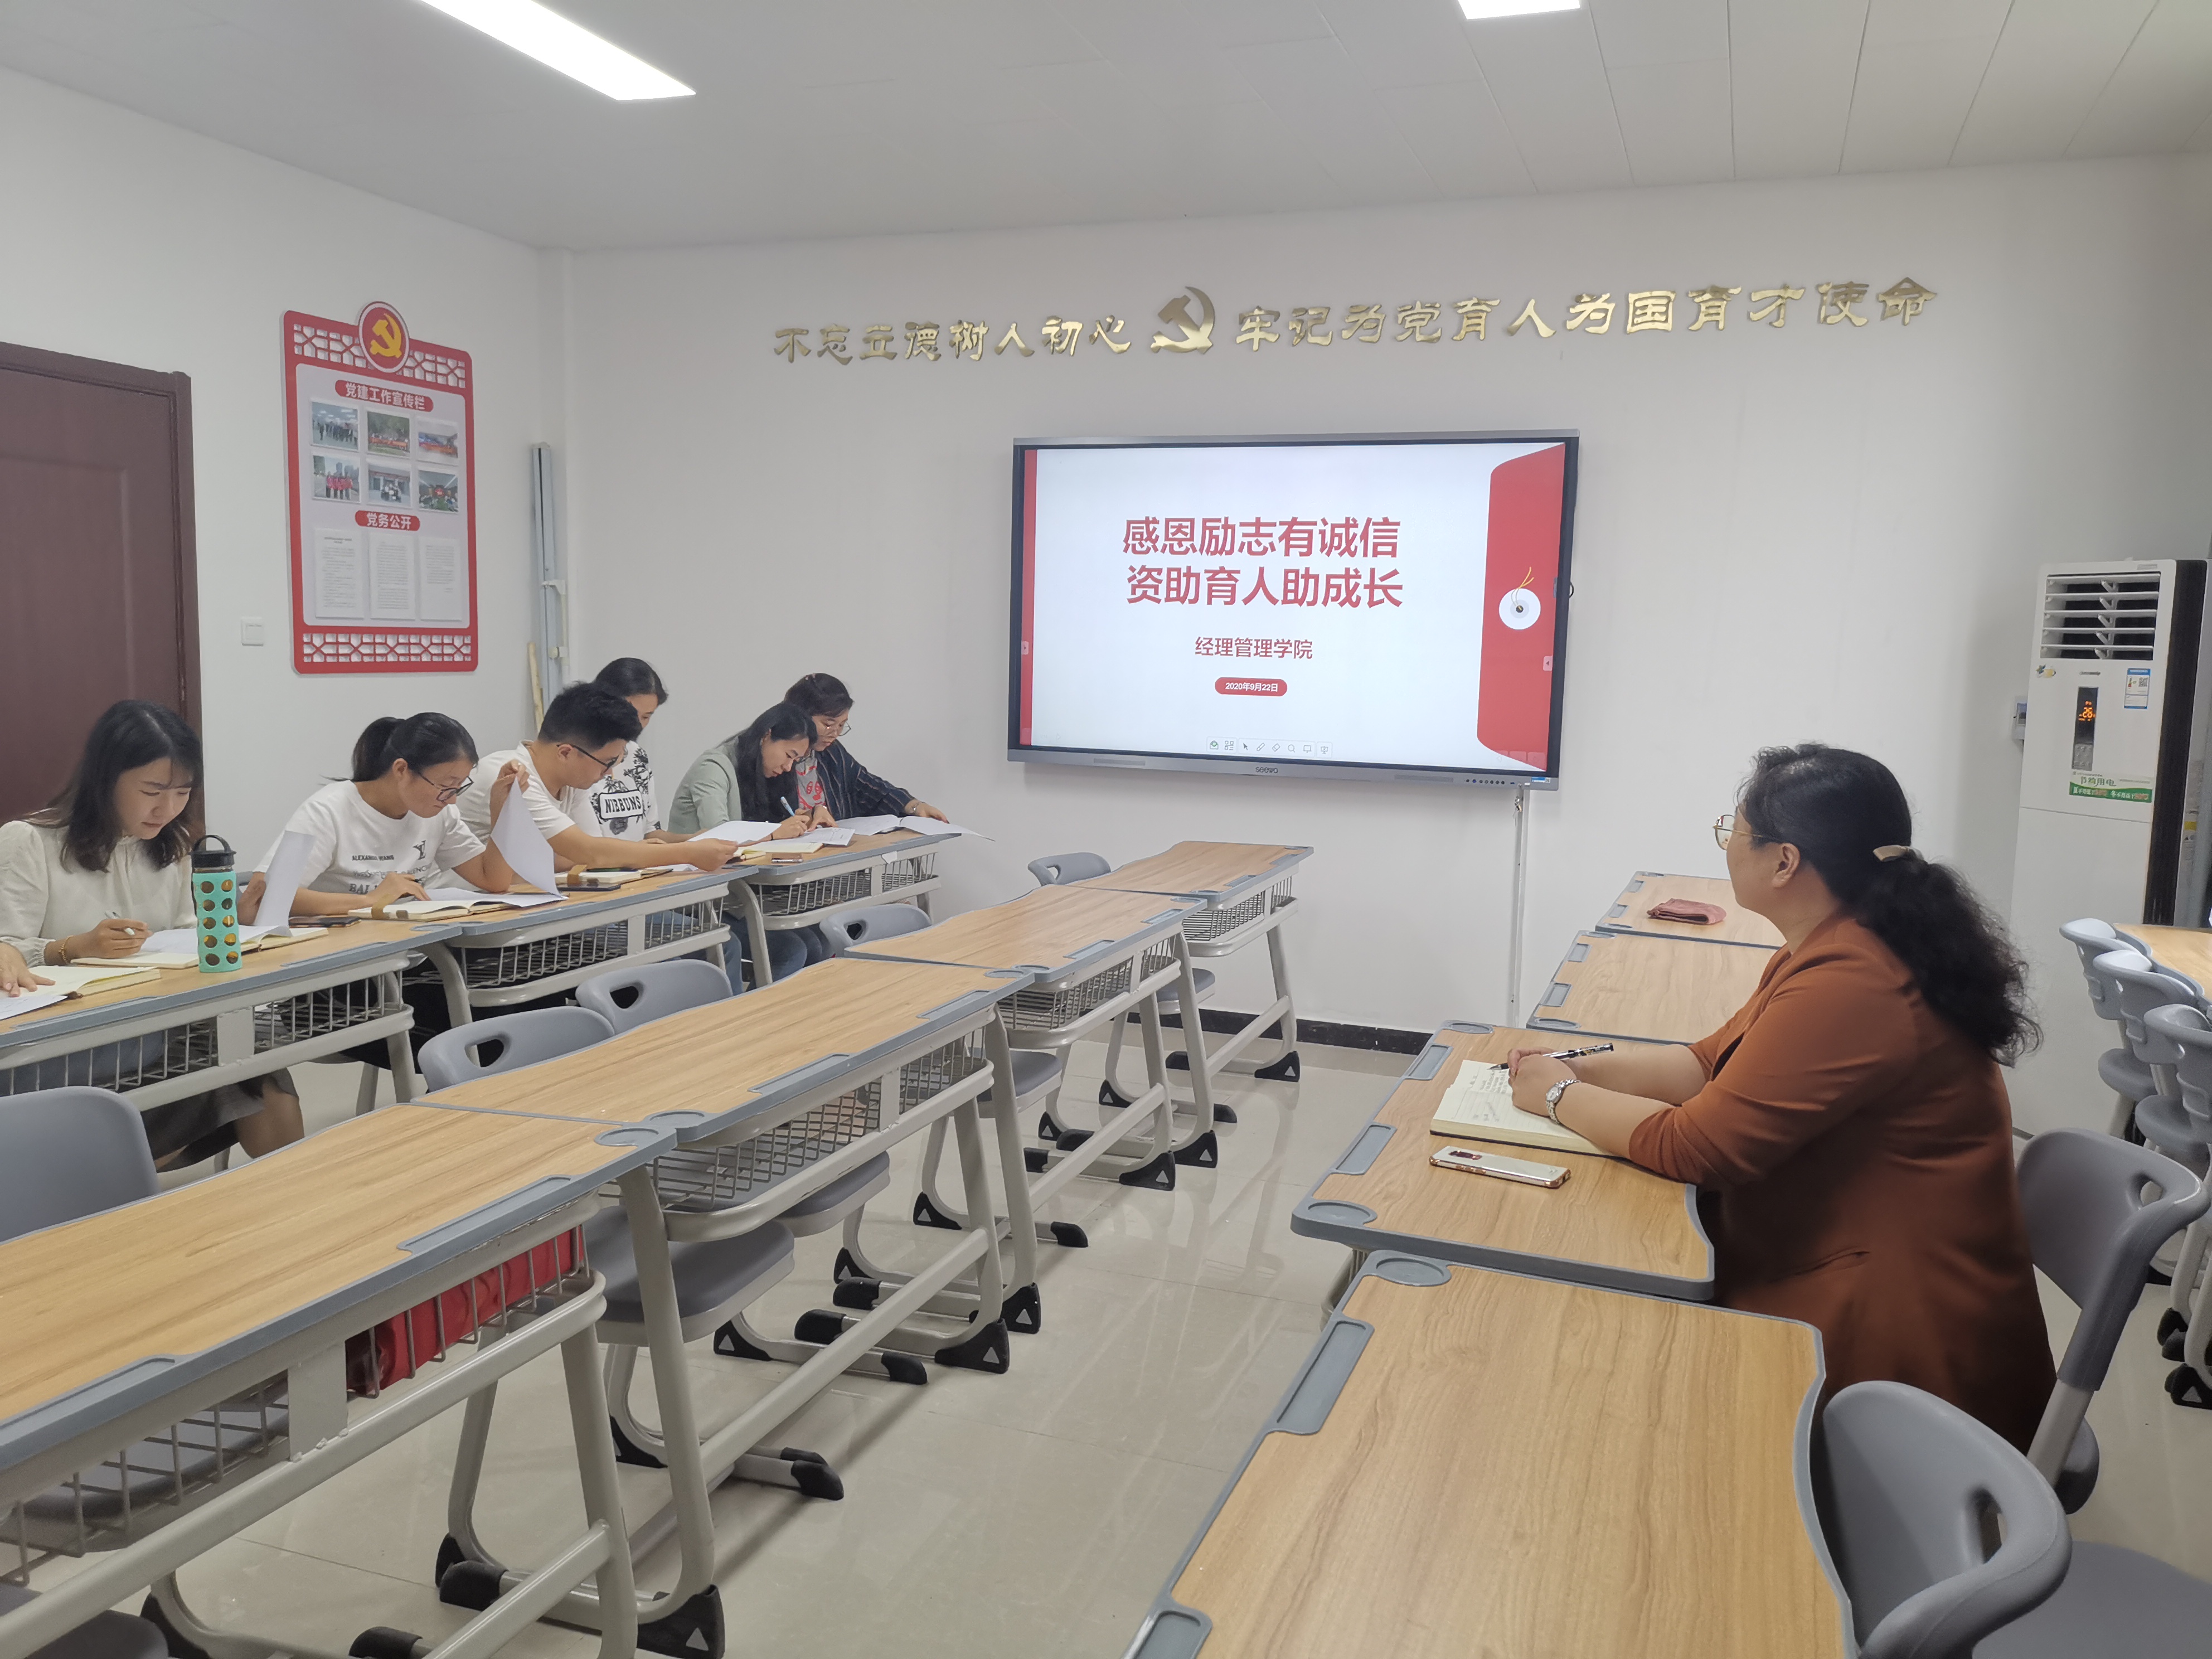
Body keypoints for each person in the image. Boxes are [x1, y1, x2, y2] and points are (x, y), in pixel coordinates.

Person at [1507, 743, 2054, 1449]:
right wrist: (1579, 1067)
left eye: (1733, 831)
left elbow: (1698, 1148)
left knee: (1602, 1369)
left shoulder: (1854, 980)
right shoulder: (1837, 942)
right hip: (1845, 1263)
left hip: (1896, 1342)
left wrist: (1556, 1097)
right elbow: (1705, 1064)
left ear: (1783, 862)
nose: (1727, 846)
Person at [0, 701, 303, 1163]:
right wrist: (74, 947)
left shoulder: (171, 846)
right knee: (237, 1070)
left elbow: (181, 934)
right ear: (105, 779)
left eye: (183, 793)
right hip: (64, 1047)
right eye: (153, 791)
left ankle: (295, 1195)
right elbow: (8, 951)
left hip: (150, 1026)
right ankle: (108, 1181)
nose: (168, 808)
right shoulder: (30, 841)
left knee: (257, 1060)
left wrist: (230, 931)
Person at [249, 713, 524, 918]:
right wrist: (370, 900)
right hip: (342, 958)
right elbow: (265, 895)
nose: (452, 799)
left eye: (458, 788)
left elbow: (494, 881)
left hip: (410, 951)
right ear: (401, 770)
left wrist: (503, 809)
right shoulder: (328, 811)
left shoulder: (440, 814)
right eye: (445, 787)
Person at [456, 682, 736, 876]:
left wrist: (627, 852)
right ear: (566, 753)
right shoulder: (512, 775)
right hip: (472, 911)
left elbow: (587, 851)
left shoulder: (572, 780)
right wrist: (687, 852)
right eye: (607, 763)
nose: (609, 773)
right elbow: (590, 853)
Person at [667, 701, 835, 983]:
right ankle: (760, 1012)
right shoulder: (714, 767)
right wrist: (774, 833)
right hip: (698, 900)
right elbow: (720, 836)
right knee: (790, 951)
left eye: (796, 761)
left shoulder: (765, 772)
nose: (788, 766)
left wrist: (805, 818)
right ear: (767, 736)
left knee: (818, 939)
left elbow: (771, 823)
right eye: (789, 755)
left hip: (738, 894)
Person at [782, 672, 948, 824]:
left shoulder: (832, 753)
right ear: (801, 716)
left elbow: (868, 787)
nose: (835, 734)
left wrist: (915, 806)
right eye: (828, 724)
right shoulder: (778, 762)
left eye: (841, 725)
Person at [581, 657, 671, 842]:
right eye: (631, 715)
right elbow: (584, 847)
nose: (637, 726)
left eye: (646, 717)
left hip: (635, 860)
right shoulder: (578, 755)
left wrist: (694, 840)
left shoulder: (637, 756)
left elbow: (651, 833)